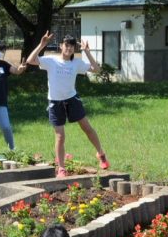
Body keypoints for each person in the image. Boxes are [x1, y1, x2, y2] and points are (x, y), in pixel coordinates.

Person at [24, 32, 110, 178]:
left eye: (72, 46)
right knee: (60, 136)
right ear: (61, 46)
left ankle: (100, 153)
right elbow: (30, 60)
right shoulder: (51, 60)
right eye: (67, 45)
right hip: (55, 102)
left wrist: (87, 52)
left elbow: (96, 69)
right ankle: (61, 168)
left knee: (87, 128)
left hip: (72, 100)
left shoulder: (76, 63)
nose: (69, 48)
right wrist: (42, 44)